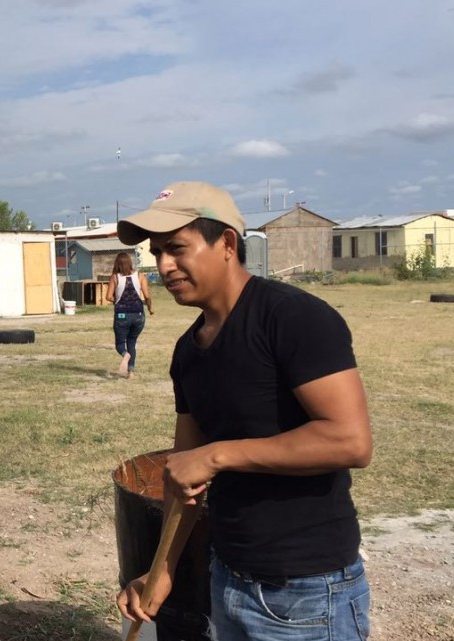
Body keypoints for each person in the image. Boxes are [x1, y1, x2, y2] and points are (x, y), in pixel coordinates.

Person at [114, 182, 373, 641]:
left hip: (306, 593)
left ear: (227, 244)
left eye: (176, 248)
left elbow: (349, 440)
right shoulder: (188, 352)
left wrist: (218, 455)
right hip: (227, 578)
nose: (164, 266)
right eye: (156, 253)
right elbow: (182, 475)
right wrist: (162, 572)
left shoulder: (293, 318)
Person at [104, 251, 153, 378]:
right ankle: (131, 372)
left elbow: (108, 297)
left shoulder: (115, 277)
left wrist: (118, 300)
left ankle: (125, 354)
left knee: (120, 344)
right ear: (130, 262)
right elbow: (147, 296)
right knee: (132, 342)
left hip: (122, 315)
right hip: (138, 314)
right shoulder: (140, 276)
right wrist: (150, 308)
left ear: (117, 264)